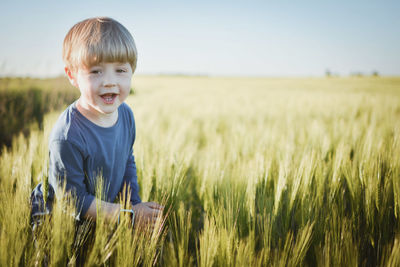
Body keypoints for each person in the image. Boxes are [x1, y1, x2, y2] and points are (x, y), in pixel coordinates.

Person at [31, 17, 163, 229]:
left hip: (99, 216)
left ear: (132, 71)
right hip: (58, 224)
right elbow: (71, 200)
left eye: (120, 70)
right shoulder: (68, 136)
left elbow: (126, 160)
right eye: (95, 71)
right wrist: (128, 216)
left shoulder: (126, 115)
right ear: (72, 75)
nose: (109, 81)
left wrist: (134, 206)